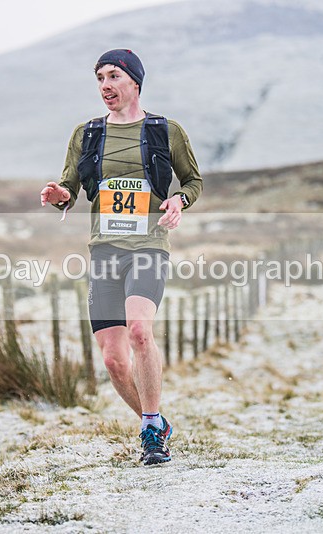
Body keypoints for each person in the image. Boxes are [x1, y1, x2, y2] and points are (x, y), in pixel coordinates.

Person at [40, 49, 202, 465]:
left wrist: (179, 200)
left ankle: (149, 430)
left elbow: (192, 180)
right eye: (99, 78)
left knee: (140, 332)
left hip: (148, 247)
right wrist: (60, 196)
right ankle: (158, 423)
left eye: (113, 76)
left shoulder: (165, 130)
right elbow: (69, 187)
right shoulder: (87, 133)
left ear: (135, 82)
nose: (105, 85)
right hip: (104, 251)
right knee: (113, 360)